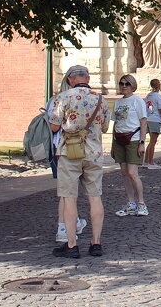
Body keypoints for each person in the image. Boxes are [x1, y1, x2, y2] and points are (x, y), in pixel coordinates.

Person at [47, 65, 108, 258]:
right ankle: (96, 243)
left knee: (69, 198)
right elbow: (105, 128)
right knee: (95, 197)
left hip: (69, 153)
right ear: (87, 79)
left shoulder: (63, 98)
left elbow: (55, 127)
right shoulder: (101, 99)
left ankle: (72, 245)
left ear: (71, 80)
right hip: (94, 153)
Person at [46, 78, 87, 243]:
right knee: (68, 194)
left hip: (61, 149)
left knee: (67, 192)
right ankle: (64, 228)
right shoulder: (87, 99)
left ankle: (72, 223)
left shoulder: (57, 99)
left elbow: (53, 126)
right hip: (69, 149)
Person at [110, 74, 149, 218]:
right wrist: (113, 144)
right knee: (124, 173)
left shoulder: (137, 101)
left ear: (133, 86)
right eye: (121, 84)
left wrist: (142, 143)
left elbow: (143, 122)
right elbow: (115, 123)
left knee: (133, 173)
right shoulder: (117, 103)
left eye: (127, 84)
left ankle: (141, 203)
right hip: (119, 139)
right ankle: (131, 203)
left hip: (133, 139)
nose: (124, 86)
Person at [143, 78, 161, 169]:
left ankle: (146, 161)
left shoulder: (148, 96)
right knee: (153, 142)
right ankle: (151, 162)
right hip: (155, 120)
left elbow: (149, 107)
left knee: (150, 141)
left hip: (148, 119)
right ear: (159, 86)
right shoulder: (158, 97)